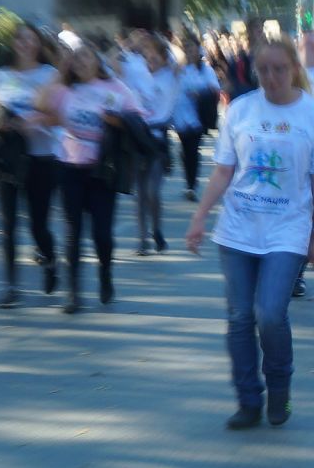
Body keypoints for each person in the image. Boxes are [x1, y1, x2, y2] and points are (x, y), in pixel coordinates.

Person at [185, 39, 314, 430]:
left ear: (294, 69)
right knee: (241, 318)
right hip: (238, 230)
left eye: (279, 69)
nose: (272, 78)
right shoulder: (240, 110)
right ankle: (248, 400)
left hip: (288, 229)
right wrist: (200, 217)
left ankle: (280, 390)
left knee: (270, 313)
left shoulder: (310, 113)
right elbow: (224, 170)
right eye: (264, 70)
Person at [39, 43, 139, 314]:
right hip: (69, 164)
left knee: (101, 234)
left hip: (102, 169)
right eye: (76, 58)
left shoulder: (115, 88)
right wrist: (59, 73)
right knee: (72, 232)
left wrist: (117, 121)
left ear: (97, 62)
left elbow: (137, 117)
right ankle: (73, 293)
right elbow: (41, 105)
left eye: (86, 56)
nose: (80, 62)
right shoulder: (65, 89)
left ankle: (105, 273)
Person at [0, 25, 61, 307]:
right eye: (19, 38)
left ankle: (50, 260)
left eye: (30, 39)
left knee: (38, 225)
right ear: (13, 43)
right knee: (8, 224)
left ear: (38, 45)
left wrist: (35, 121)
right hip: (7, 156)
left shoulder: (49, 75)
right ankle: (10, 286)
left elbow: (60, 118)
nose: (24, 43)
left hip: (40, 156)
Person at [129, 36, 178, 255]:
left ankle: (156, 229)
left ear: (164, 57)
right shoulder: (137, 76)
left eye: (155, 56)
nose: (151, 61)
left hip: (158, 139)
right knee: (139, 193)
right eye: (147, 56)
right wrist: (130, 43)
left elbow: (181, 59)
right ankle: (142, 238)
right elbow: (112, 63)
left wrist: (163, 41)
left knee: (152, 191)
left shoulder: (171, 76)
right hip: (138, 136)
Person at [174, 34, 219, 204]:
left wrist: (199, 94)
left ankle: (192, 185)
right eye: (186, 47)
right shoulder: (180, 69)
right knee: (185, 151)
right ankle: (189, 182)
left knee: (193, 150)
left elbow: (215, 89)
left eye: (191, 47)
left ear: (197, 49)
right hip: (180, 116)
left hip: (198, 116)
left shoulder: (205, 69)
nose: (189, 50)